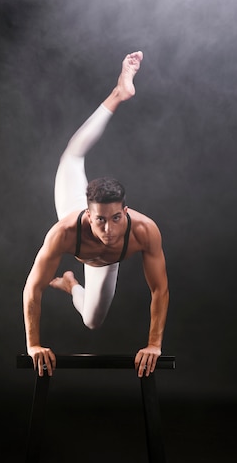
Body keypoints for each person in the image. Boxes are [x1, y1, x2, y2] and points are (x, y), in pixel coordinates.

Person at [23, 51, 169, 378]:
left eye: (115, 218)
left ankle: (72, 284)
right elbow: (33, 288)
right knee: (72, 157)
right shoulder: (64, 232)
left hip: (103, 262)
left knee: (91, 320)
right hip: (74, 203)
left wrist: (153, 345)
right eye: (100, 220)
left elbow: (159, 289)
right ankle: (119, 93)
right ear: (89, 217)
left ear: (125, 212)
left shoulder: (144, 232)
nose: (108, 228)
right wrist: (34, 344)